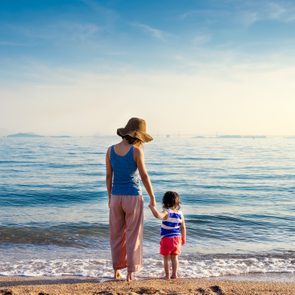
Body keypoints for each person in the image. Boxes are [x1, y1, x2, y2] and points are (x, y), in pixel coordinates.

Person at [105, 117, 156, 282]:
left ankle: (116, 271)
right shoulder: (136, 151)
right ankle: (130, 273)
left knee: (116, 235)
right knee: (134, 235)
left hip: (116, 197)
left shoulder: (110, 150)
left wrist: (109, 197)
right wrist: (152, 198)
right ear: (138, 136)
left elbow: (108, 176)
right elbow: (144, 176)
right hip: (133, 196)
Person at [149, 191, 186, 280]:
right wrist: (183, 238)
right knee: (175, 257)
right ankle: (174, 274)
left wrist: (152, 207)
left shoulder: (166, 212)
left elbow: (157, 215)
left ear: (165, 202)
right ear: (177, 202)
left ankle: (167, 275)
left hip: (167, 239)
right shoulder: (180, 213)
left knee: (166, 258)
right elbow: (183, 227)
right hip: (177, 238)